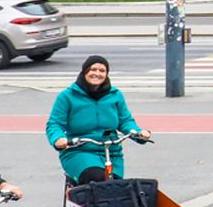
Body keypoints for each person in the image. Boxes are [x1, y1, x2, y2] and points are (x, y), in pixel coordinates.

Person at [46, 55, 150, 184]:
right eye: (93, 69)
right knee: (96, 177)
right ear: (85, 72)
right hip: (80, 150)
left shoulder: (115, 95)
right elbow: (54, 123)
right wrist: (58, 139)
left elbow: (125, 121)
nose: (97, 74)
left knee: (118, 187)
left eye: (102, 71)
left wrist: (138, 133)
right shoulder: (67, 96)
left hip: (112, 151)